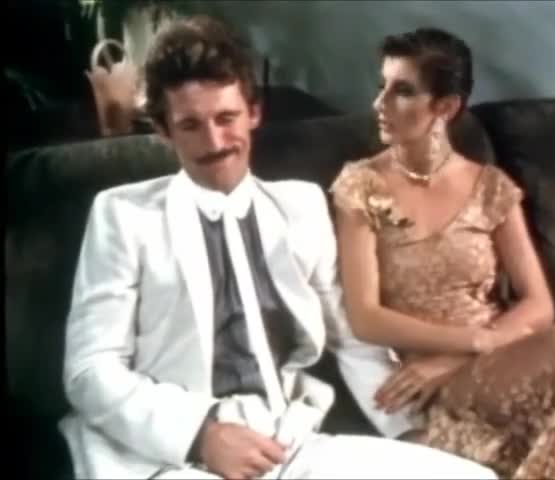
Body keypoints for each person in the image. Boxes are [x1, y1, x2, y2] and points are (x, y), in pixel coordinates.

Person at [58, 16, 497, 480]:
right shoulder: (123, 215)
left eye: (226, 118)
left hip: (284, 440)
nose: (214, 143)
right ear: (164, 132)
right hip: (164, 454)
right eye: (190, 125)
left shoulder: (301, 207)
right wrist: (201, 434)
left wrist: (407, 430)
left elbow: (352, 340)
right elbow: (89, 370)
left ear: (253, 113)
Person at [330, 27, 555, 480]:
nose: (380, 104)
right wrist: (470, 345)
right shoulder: (362, 186)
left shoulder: (491, 187)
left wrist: (470, 350)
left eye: (402, 91)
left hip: (498, 362)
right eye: (383, 87)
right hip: (436, 387)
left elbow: (538, 303)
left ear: (446, 107)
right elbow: (365, 317)